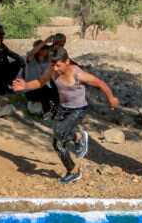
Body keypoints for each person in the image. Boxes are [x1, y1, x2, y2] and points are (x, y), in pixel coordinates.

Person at [12, 47, 119, 184]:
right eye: (53, 65)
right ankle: (73, 171)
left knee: (59, 131)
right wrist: (25, 85)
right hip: (63, 108)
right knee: (57, 143)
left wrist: (111, 99)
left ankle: (79, 136)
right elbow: (40, 82)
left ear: (67, 61)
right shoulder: (52, 70)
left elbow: (100, 83)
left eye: (58, 65)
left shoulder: (78, 74)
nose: (55, 68)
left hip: (78, 110)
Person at [22, 39, 57, 116]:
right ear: (38, 50)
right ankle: (46, 113)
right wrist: (45, 41)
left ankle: (56, 111)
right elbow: (31, 53)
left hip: (41, 88)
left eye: (46, 48)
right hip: (30, 91)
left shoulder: (47, 62)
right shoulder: (30, 60)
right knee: (43, 90)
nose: (46, 50)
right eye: (43, 48)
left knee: (56, 90)